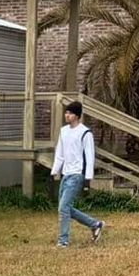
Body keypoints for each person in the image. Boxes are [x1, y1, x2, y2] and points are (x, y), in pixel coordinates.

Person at [51, 99, 104, 247]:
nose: (67, 115)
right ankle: (95, 224)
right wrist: (54, 172)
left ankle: (63, 241)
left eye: (70, 113)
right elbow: (59, 154)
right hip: (66, 175)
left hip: (77, 175)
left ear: (77, 115)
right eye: (66, 113)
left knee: (63, 208)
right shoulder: (64, 131)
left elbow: (89, 156)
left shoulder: (85, 133)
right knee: (65, 208)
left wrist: (87, 180)